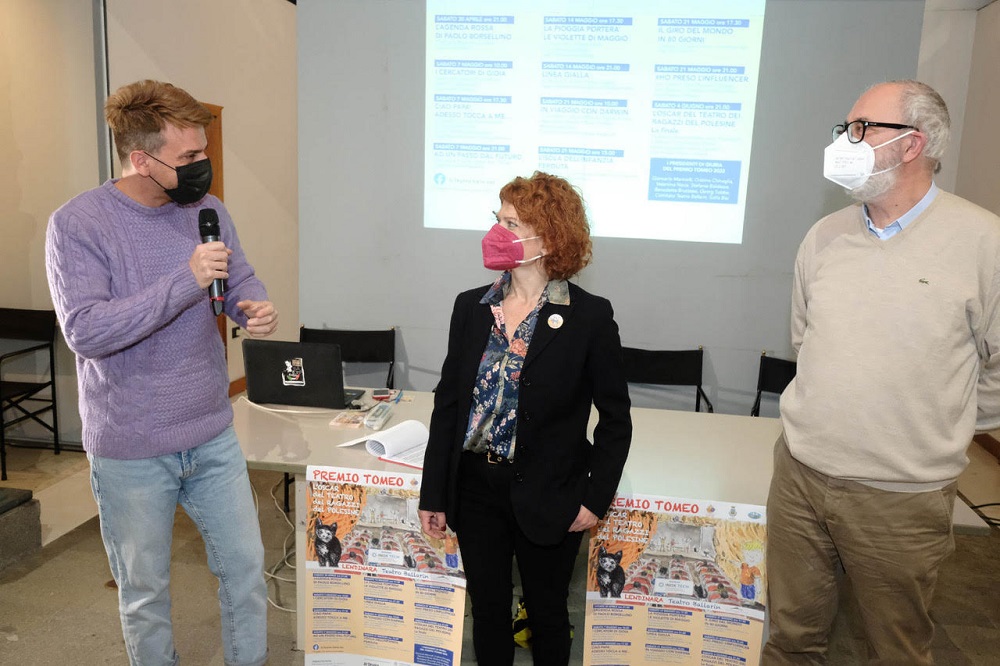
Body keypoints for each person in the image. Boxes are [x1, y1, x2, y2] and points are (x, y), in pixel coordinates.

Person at [764, 80, 1000, 665]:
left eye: (861, 129)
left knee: (895, 649)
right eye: (844, 129)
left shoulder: (983, 241)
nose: (844, 141)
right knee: (790, 640)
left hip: (901, 497)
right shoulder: (824, 235)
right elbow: (806, 341)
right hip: (800, 476)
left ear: (913, 144)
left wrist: (940, 424)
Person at [45, 80, 277, 666]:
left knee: (246, 572)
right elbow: (86, 331)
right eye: (190, 155)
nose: (203, 165)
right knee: (145, 593)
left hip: (212, 431)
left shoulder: (208, 208)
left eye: (204, 151)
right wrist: (184, 280)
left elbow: (238, 275)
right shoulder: (78, 224)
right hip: (132, 447)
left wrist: (253, 304)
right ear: (142, 159)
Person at [419, 171, 632, 666]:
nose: (497, 231)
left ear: (549, 239)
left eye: (511, 223)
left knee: (547, 615)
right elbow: (449, 405)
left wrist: (595, 498)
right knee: (488, 612)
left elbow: (616, 418)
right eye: (497, 219)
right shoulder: (471, 307)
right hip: (476, 489)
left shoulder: (589, 316)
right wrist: (434, 492)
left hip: (551, 491)